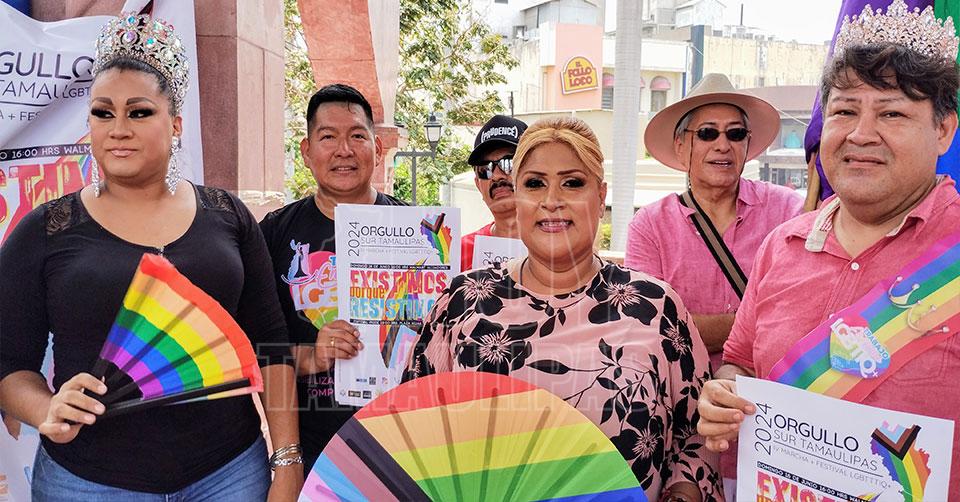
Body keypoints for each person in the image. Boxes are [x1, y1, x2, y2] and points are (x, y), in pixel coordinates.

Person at [0, 13, 301, 500]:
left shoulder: (227, 216)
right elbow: (9, 363)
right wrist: (44, 409)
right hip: (87, 484)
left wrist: (287, 460)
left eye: (138, 112)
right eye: (102, 113)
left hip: (228, 475)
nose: (118, 129)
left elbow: (270, 344)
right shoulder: (46, 229)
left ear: (176, 124)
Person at [697, 3, 960, 494]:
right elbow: (741, 363)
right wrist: (724, 392)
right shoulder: (781, 246)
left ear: (943, 129)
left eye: (892, 112)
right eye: (844, 111)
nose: (861, 134)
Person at [405, 117, 723, 501]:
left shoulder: (654, 307)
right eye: (534, 183)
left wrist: (685, 490)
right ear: (516, 198)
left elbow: (697, 433)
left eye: (572, 183)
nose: (552, 200)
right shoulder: (462, 303)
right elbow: (410, 429)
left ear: (600, 196)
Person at [624, 73, 802, 490]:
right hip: (683, 434)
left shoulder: (789, 211)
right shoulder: (649, 225)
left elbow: (806, 316)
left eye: (735, 133)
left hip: (775, 432)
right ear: (682, 145)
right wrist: (758, 324)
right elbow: (653, 331)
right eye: (708, 133)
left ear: (747, 145)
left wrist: (698, 325)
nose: (723, 144)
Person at [260, 83, 407, 470]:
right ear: (307, 152)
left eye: (357, 136)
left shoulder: (418, 232)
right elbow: (250, 347)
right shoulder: (273, 234)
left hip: (403, 444)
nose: (344, 150)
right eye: (328, 137)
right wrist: (311, 357)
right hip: (311, 450)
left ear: (377, 148)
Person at [460, 114, 528, 271]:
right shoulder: (458, 253)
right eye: (485, 169)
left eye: (508, 163)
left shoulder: (562, 246)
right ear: (478, 185)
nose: (496, 176)